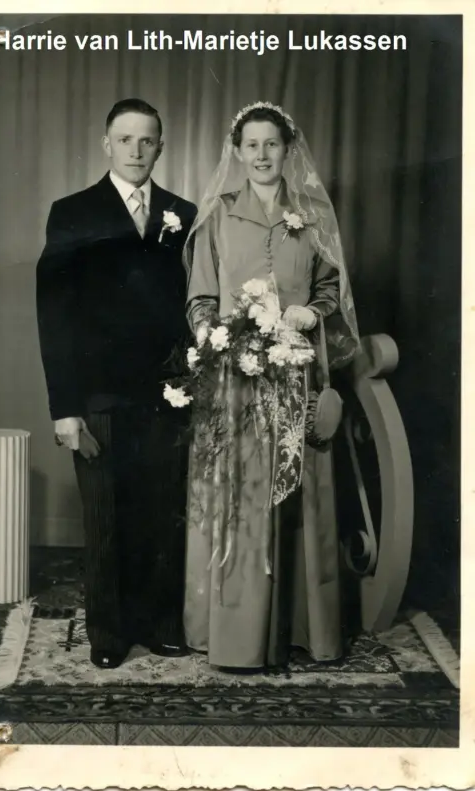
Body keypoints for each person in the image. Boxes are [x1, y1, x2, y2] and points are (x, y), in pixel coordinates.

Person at [183, 101, 359, 670]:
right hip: (234, 381)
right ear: (237, 152)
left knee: (299, 493)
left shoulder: (311, 216)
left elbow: (330, 289)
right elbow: (200, 297)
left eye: (272, 144)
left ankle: (302, 630)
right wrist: (212, 335)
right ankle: (234, 636)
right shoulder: (218, 216)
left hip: (296, 371)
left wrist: (312, 311)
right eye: (252, 145)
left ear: (288, 150)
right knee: (240, 494)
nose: (262, 155)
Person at [36, 98, 197, 669]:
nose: (135, 150)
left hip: (166, 393)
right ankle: (107, 635)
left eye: (146, 140)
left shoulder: (182, 212)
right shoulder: (72, 211)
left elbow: (193, 305)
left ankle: (161, 624)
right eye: (125, 139)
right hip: (97, 394)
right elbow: (54, 317)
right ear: (107, 144)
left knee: (161, 513)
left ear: (161, 147)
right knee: (104, 519)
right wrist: (65, 409)